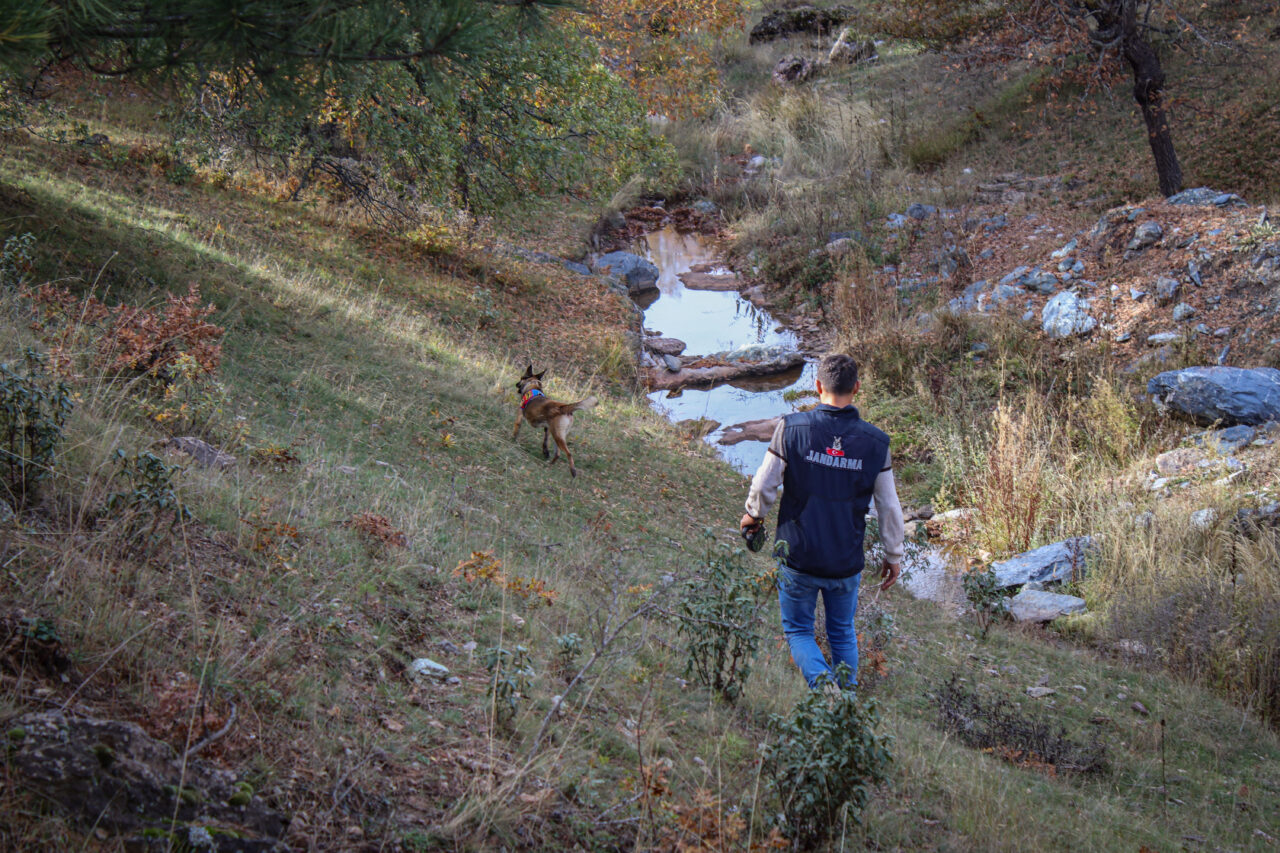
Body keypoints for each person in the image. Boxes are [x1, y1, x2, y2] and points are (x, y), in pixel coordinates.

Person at [740, 353, 903, 690]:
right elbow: (889, 506)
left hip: (797, 554)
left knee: (799, 631)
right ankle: (846, 703)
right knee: (842, 632)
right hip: (845, 560)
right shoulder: (876, 444)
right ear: (856, 388)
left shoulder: (791, 428)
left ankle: (826, 691)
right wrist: (893, 554)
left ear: (817, 386)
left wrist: (754, 514)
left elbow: (765, 483)